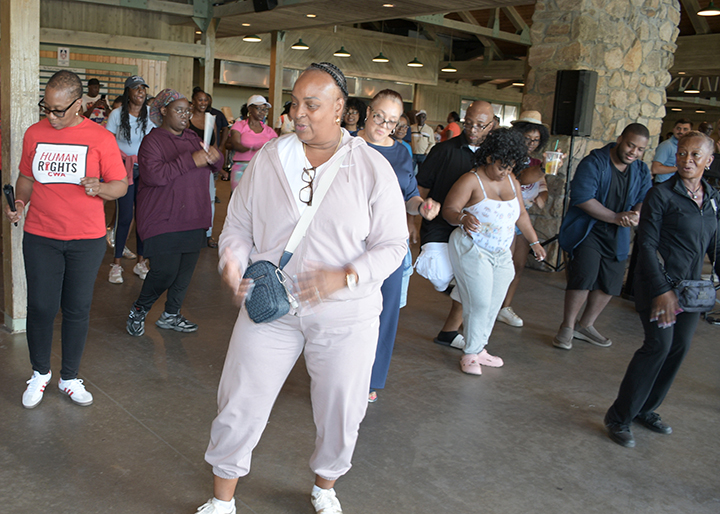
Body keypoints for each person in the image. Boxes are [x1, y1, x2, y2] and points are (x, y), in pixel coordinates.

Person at [197, 63, 407, 514]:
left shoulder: (371, 167)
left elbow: (393, 245)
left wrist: (345, 274)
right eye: (294, 104)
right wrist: (232, 258)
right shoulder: (271, 158)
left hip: (346, 314)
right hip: (270, 305)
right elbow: (238, 224)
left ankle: (325, 486)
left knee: (342, 410)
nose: (298, 114)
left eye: (311, 105)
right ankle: (221, 500)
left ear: (341, 108)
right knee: (239, 401)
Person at [6, 70, 127, 408]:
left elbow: (120, 186)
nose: (51, 116)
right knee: (41, 307)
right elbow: (26, 177)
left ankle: (69, 377)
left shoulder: (100, 138)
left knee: (76, 308)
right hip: (41, 235)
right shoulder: (35, 134)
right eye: (46, 108)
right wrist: (19, 203)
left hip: (86, 239)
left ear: (79, 104)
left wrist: (99, 188)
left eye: (58, 110)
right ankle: (40, 373)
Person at [604, 131, 719, 448]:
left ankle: (646, 409)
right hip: (659, 287)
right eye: (682, 153)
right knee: (658, 346)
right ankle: (619, 417)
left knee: (678, 348)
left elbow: (715, 245)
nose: (686, 160)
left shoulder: (711, 198)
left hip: (692, 291)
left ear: (709, 161)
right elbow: (647, 245)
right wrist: (662, 291)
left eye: (695, 155)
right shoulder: (661, 195)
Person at [358, 89, 441, 402]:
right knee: (345, 310)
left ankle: (370, 379)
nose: (383, 125)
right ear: (368, 112)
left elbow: (409, 196)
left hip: (388, 242)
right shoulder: (346, 145)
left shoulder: (402, 152)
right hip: (349, 241)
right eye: (379, 116)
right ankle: (338, 373)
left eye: (391, 121)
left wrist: (423, 207)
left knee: (385, 310)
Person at [443, 129, 547, 375]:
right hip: (472, 248)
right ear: (489, 157)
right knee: (479, 301)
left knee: (493, 302)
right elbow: (449, 210)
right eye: (502, 166)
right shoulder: (471, 180)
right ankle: (470, 353)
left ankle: (479, 348)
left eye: (511, 167)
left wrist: (534, 242)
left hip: (500, 252)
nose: (505, 171)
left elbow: (522, 215)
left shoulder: (512, 181)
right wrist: (462, 218)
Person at [126, 89, 222, 337]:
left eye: (187, 110)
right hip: (162, 218)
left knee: (184, 273)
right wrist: (191, 160)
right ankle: (140, 308)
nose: (185, 115)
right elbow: (154, 176)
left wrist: (215, 157)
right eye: (179, 110)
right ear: (163, 111)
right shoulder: (153, 141)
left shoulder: (193, 138)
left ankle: (171, 314)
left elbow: (215, 166)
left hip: (193, 215)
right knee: (164, 271)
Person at [553, 124, 653, 350]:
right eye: (630, 145)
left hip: (618, 233)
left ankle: (585, 325)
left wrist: (636, 214)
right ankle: (567, 327)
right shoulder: (594, 163)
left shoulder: (641, 170)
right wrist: (616, 217)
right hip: (589, 230)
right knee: (584, 276)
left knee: (611, 282)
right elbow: (583, 198)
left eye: (640, 149)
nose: (634, 152)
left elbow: (644, 197)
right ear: (620, 139)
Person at [415, 100, 495, 350]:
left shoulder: (493, 156)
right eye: (468, 123)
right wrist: (412, 221)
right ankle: (466, 295)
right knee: (438, 274)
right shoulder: (443, 150)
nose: (473, 130)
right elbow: (421, 188)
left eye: (480, 125)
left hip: (473, 230)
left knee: (469, 280)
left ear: (492, 125)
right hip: (439, 225)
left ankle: (449, 332)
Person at [497, 110, 551, 328]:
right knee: (503, 266)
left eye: (536, 140)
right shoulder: (509, 158)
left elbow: (542, 187)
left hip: (522, 219)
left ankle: (505, 307)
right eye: (527, 138)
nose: (531, 143)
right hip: (504, 219)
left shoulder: (536, 161)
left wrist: (541, 197)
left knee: (517, 266)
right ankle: (491, 305)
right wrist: (544, 168)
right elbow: (523, 177)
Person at [105, 75, 154, 284]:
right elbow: (107, 141)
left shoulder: (151, 114)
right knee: (124, 217)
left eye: (143, 88)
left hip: (145, 170)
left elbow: (157, 139)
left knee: (143, 217)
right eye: (136, 88)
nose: (141, 91)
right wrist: (117, 161)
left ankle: (141, 262)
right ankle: (116, 265)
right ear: (128, 92)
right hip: (123, 169)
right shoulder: (117, 114)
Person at [189, 87, 220, 248]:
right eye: (200, 99)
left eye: (205, 100)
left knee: (210, 199)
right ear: (193, 101)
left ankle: (208, 234)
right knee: (191, 198)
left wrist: (216, 162)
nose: (203, 103)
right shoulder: (187, 118)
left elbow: (215, 144)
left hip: (207, 166)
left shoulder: (210, 120)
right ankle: (190, 231)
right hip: (191, 165)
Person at [228, 94, 278, 191]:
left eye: (264, 109)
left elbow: (276, 148)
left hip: (261, 168)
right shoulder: (239, 125)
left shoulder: (269, 131)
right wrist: (251, 148)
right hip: (241, 167)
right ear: (250, 109)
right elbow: (236, 144)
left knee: (258, 197)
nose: (262, 112)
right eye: (259, 108)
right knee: (238, 196)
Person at [651, 118, 692, 184]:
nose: (681, 131)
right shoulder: (666, 145)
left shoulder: (685, 146)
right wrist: (679, 168)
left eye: (685, 129)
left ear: (690, 132)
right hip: (663, 184)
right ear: (673, 129)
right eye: (678, 128)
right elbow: (655, 169)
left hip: (677, 184)